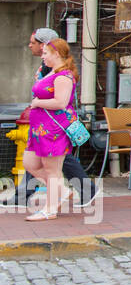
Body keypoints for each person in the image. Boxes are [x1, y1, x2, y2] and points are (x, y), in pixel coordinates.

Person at [4, 29, 98, 209]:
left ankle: (48, 201)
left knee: (52, 161)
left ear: (44, 45)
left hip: (52, 125)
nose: (30, 46)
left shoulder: (56, 69)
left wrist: (38, 102)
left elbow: (59, 100)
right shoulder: (47, 66)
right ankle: (67, 192)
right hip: (43, 124)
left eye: (34, 42)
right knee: (42, 161)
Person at [23, 39, 79, 220]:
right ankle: (61, 191)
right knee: (30, 163)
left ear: (56, 53)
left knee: (52, 170)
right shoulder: (52, 73)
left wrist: (38, 103)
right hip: (40, 129)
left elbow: (61, 102)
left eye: (46, 53)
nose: (43, 56)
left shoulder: (63, 75)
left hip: (53, 129)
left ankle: (49, 209)